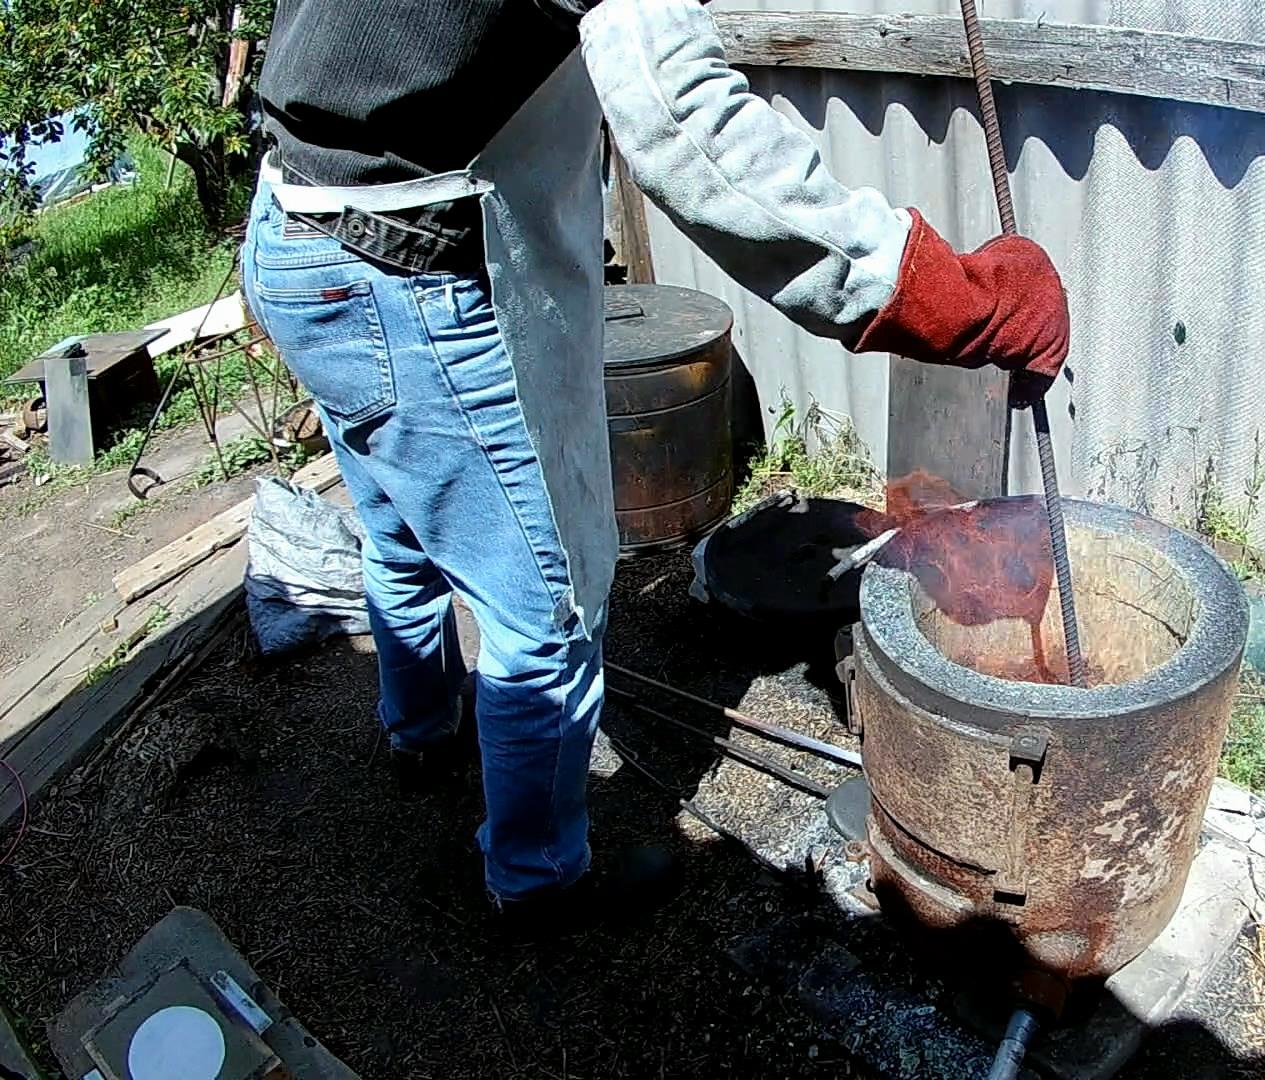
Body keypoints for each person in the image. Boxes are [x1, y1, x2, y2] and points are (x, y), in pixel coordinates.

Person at [240, 0, 1068, 930]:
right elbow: (687, 125)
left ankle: (420, 733)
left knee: (400, 532)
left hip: (296, 236)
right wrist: (944, 298)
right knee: (546, 622)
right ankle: (540, 882)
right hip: (407, 276)